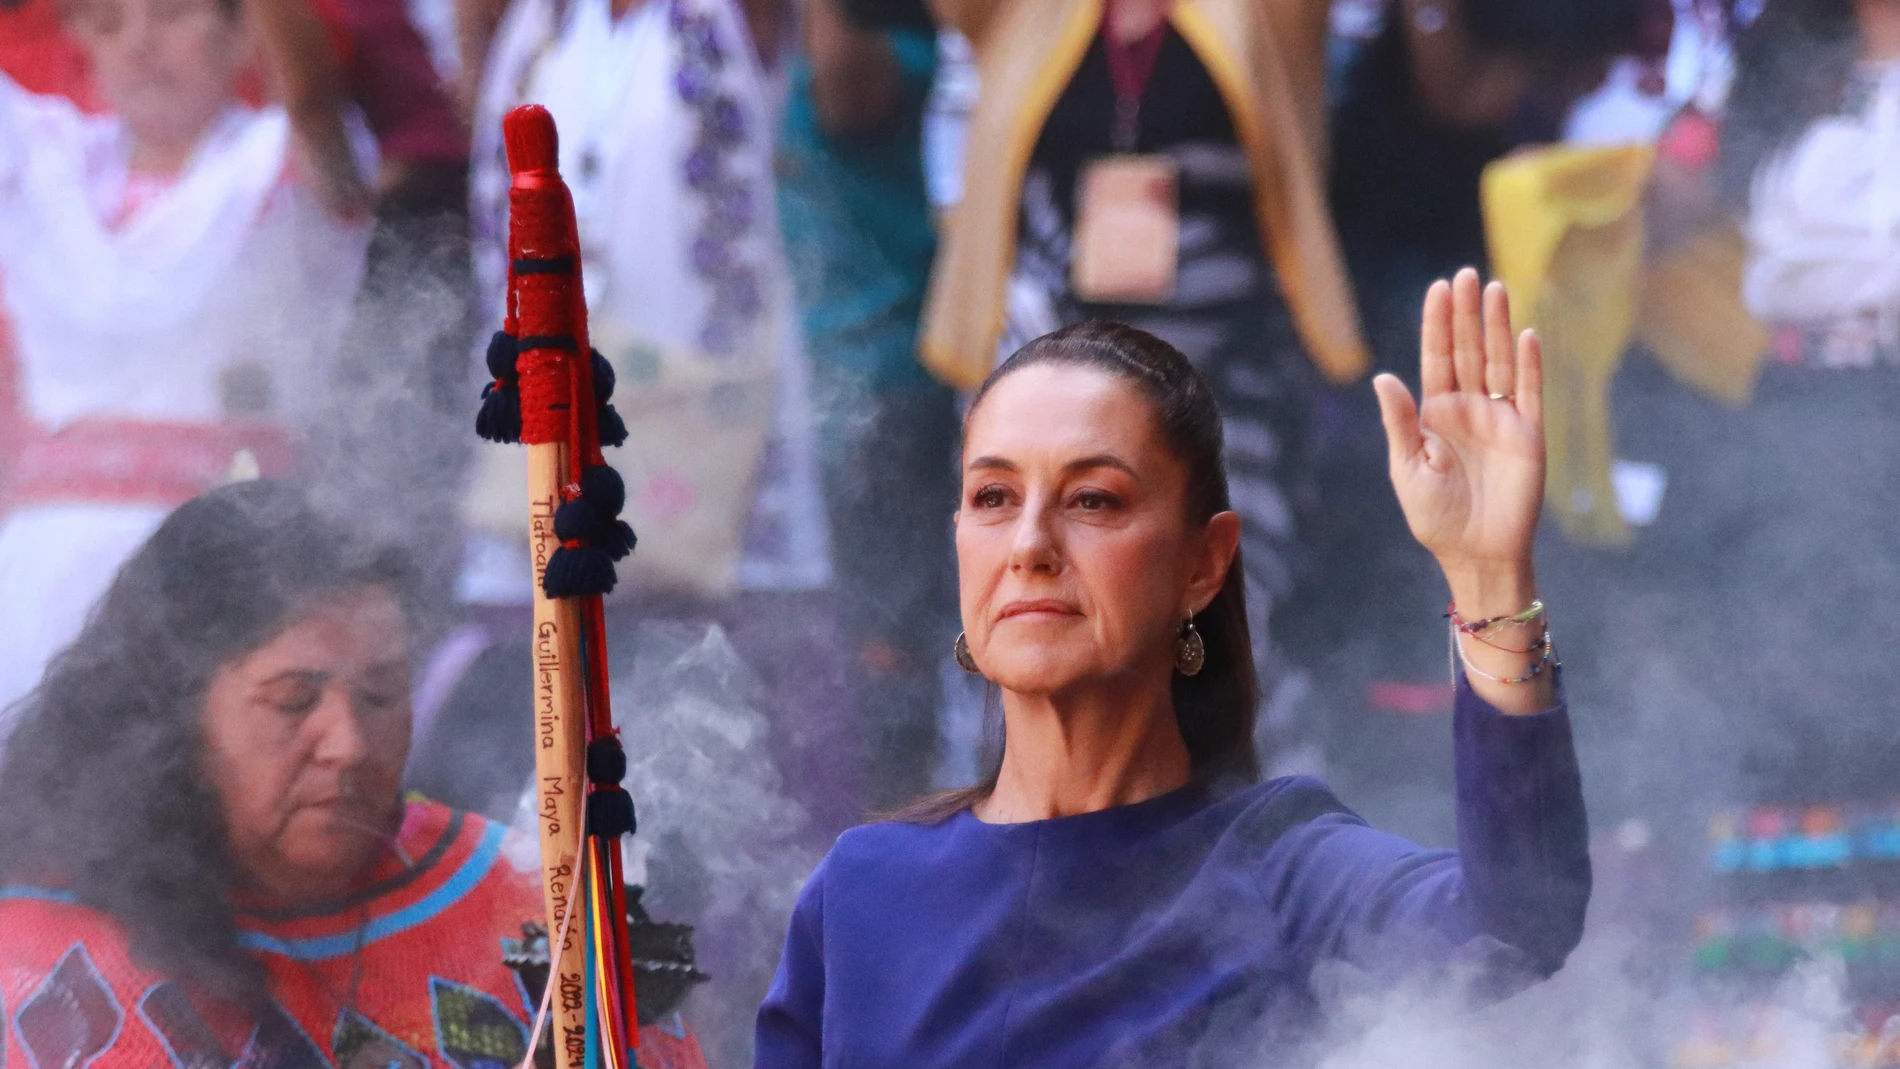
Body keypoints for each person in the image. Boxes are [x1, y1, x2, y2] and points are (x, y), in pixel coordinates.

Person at [755, 271, 1590, 1066]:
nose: (1030, 545)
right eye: (994, 497)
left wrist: (1489, 577)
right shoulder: (863, 892)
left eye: (1094, 499)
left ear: (1204, 562)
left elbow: (1512, 922)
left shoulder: (1280, 870)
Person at [917, 0, 1612, 770]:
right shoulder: (1026, 13)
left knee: (1219, 631)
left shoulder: (1266, 13)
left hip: (1221, 386)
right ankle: (992, 862)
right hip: (1038, 378)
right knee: (1010, 630)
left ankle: (1279, 860)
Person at [0, 479, 708, 1069]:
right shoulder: (46, 954)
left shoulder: (540, 911)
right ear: (173, 711)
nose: (347, 743)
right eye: (292, 701)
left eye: (380, 695)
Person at [0, 0, 371, 717]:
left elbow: (314, 102)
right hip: (35, 581)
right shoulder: (41, 163)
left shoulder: (281, 161)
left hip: (229, 570)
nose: (141, 45)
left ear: (242, 33)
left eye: (172, 14)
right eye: (110, 24)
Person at [777, 0, 960, 807]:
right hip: (810, 378)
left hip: (887, 377)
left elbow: (848, 95)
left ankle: (901, 867)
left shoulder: (907, 39)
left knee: (889, 671)